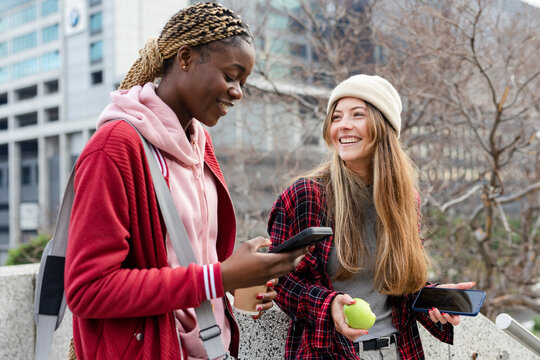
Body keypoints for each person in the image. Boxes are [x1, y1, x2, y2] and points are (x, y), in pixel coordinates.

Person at [64, 3, 307, 360]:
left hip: (213, 349)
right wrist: (217, 277)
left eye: (243, 82)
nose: (238, 91)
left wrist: (234, 283)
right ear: (186, 58)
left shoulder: (199, 143)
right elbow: (89, 290)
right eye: (231, 75)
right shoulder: (115, 147)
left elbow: (192, 260)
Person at [268, 74, 475, 359]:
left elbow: (399, 287)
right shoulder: (307, 194)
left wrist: (434, 299)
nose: (343, 125)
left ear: (383, 127)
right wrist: (328, 305)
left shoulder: (404, 200)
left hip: (398, 351)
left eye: (357, 115)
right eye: (336, 116)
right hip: (330, 352)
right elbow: (277, 279)